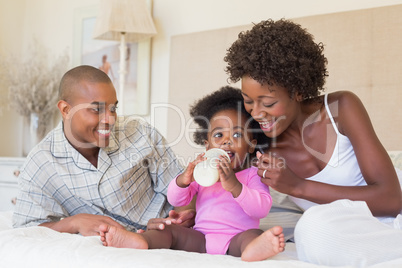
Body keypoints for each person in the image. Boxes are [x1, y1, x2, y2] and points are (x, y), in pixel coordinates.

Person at [224, 18, 402, 266]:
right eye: (248, 100)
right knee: (311, 230)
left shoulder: (341, 108)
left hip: (395, 210)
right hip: (349, 229)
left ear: (297, 91)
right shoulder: (258, 143)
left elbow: (392, 200)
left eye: (268, 103)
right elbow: (223, 184)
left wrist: (297, 186)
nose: (256, 113)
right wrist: (187, 216)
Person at [99, 86, 285, 262]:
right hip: (200, 238)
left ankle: (252, 250)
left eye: (237, 135)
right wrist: (183, 181)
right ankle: (140, 241)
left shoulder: (253, 174)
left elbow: (261, 209)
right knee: (168, 231)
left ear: (251, 144)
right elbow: (176, 200)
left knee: (255, 236)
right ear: (207, 145)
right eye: (219, 135)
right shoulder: (204, 172)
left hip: (236, 238)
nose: (226, 141)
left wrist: (235, 186)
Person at [12, 65, 191, 236]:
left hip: (167, 232)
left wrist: (184, 219)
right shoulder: (41, 162)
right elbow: (26, 228)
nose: (110, 120)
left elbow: (183, 191)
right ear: (66, 110)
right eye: (97, 109)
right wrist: (75, 222)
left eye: (113, 108)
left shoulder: (140, 133)